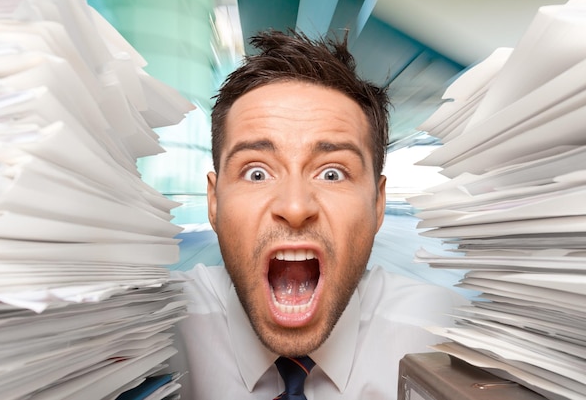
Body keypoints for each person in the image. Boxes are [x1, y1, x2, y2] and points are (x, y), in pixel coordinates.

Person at [170, 29, 464, 399]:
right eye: (257, 172)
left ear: (378, 203)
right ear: (214, 202)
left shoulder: (446, 335)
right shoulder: (150, 330)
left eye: (332, 173)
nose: (295, 208)